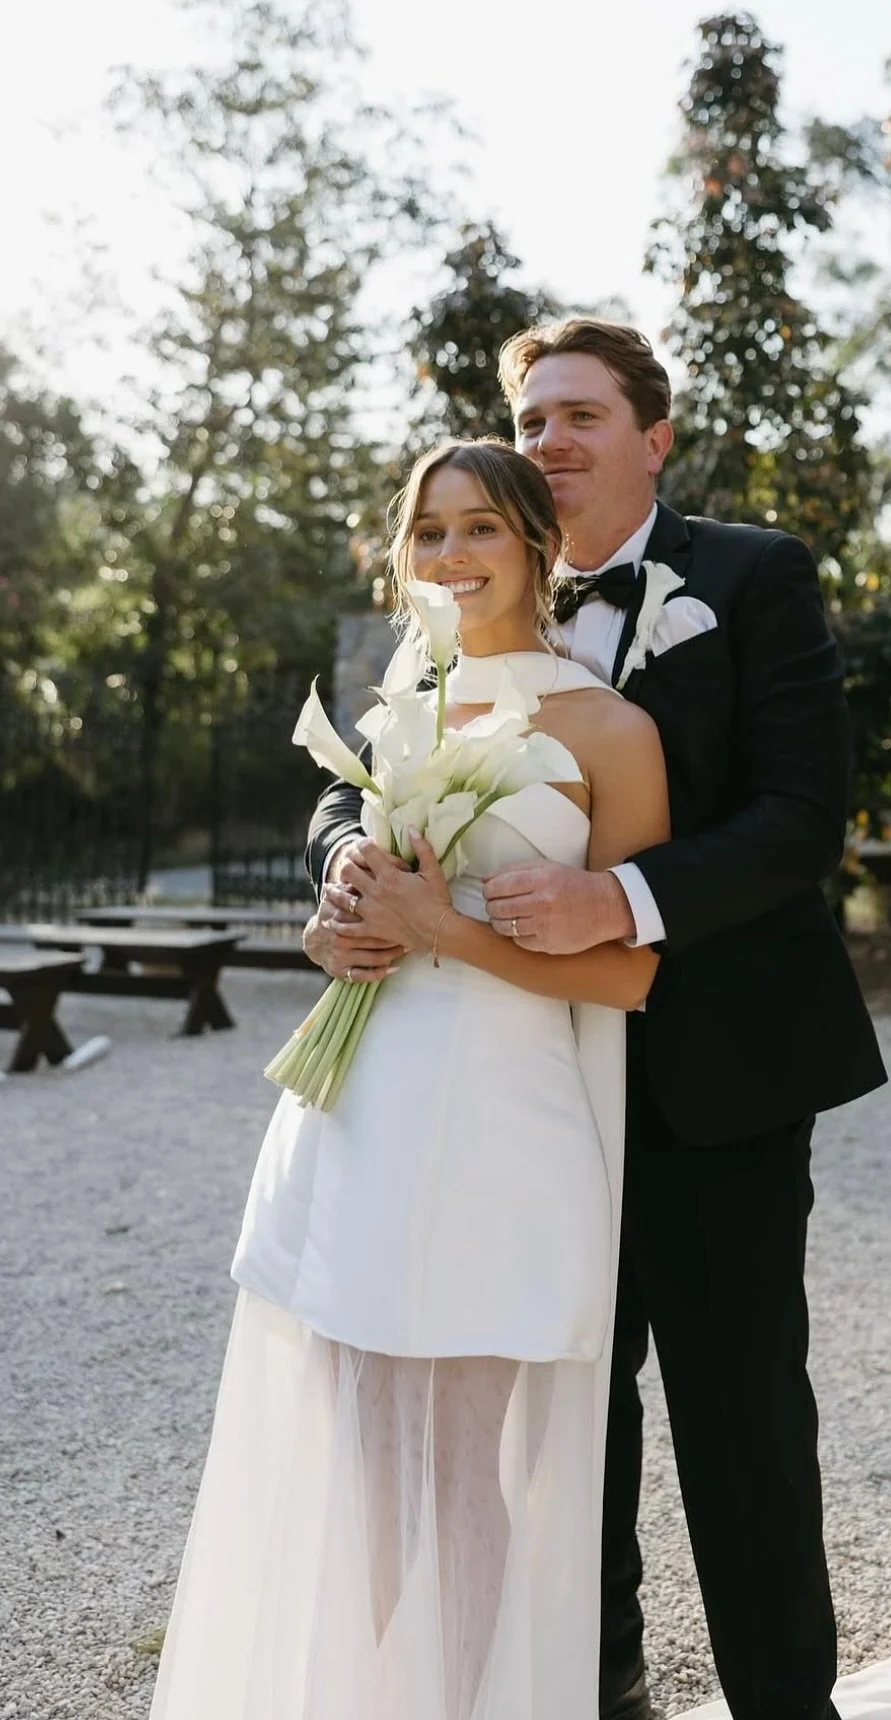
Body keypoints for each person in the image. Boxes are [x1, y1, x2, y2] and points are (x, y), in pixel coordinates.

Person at [303, 324, 891, 1720]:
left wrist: (618, 899)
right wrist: (340, 864)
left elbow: (800, 817)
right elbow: (362, 770)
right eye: (530, 418)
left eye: (581, 414)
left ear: (653, 438)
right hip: (518, 1084)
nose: (549, 439)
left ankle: (781, 1701)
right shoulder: (470, 587)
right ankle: (593, 1685)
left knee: (740, 1413)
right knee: (567, 1409)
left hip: (712, 1070)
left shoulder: (750, 575)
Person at [149, 439, 670, 1720]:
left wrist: (449, 931)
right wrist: (338, 927)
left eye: (480, 527)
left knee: (458, 1460)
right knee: (366, 1460)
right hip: (363, 1110)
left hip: (504, 1124)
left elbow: (630, 979)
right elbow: (353, 900)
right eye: (429, 531)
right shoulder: (399, 707)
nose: (451, 554)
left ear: (537, 545)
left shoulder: (612, 730)